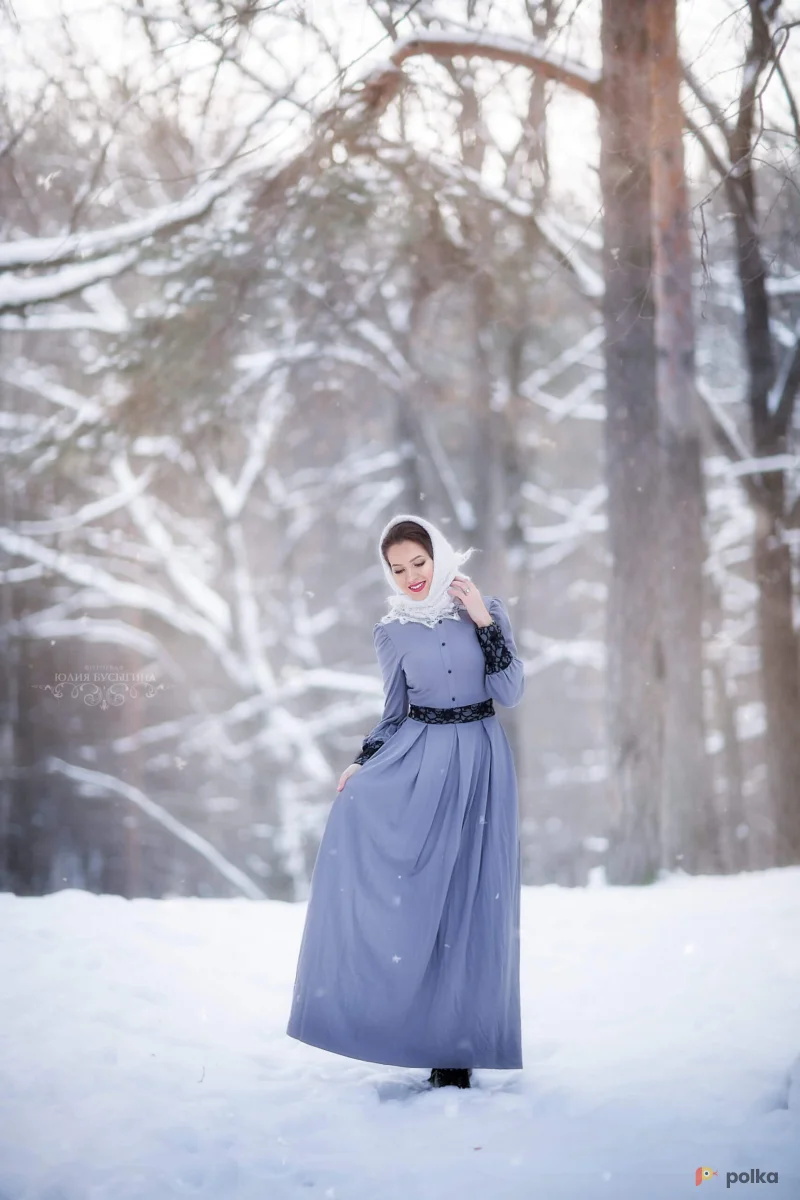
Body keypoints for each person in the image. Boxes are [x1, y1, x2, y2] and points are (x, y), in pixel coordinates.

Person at [286, 513, 525, 1090]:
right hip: (420, 764)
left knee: (474, 898)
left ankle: (458, 1047)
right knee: (423, 898)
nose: (412, 576)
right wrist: (363, 762)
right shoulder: (391, 632)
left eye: (419, 562)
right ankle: (402, 1025)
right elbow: (394, 712)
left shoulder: (485, 609)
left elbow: (511, 692)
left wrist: (484, 623)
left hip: (484, 762)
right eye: (398, 569)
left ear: (438, 556)